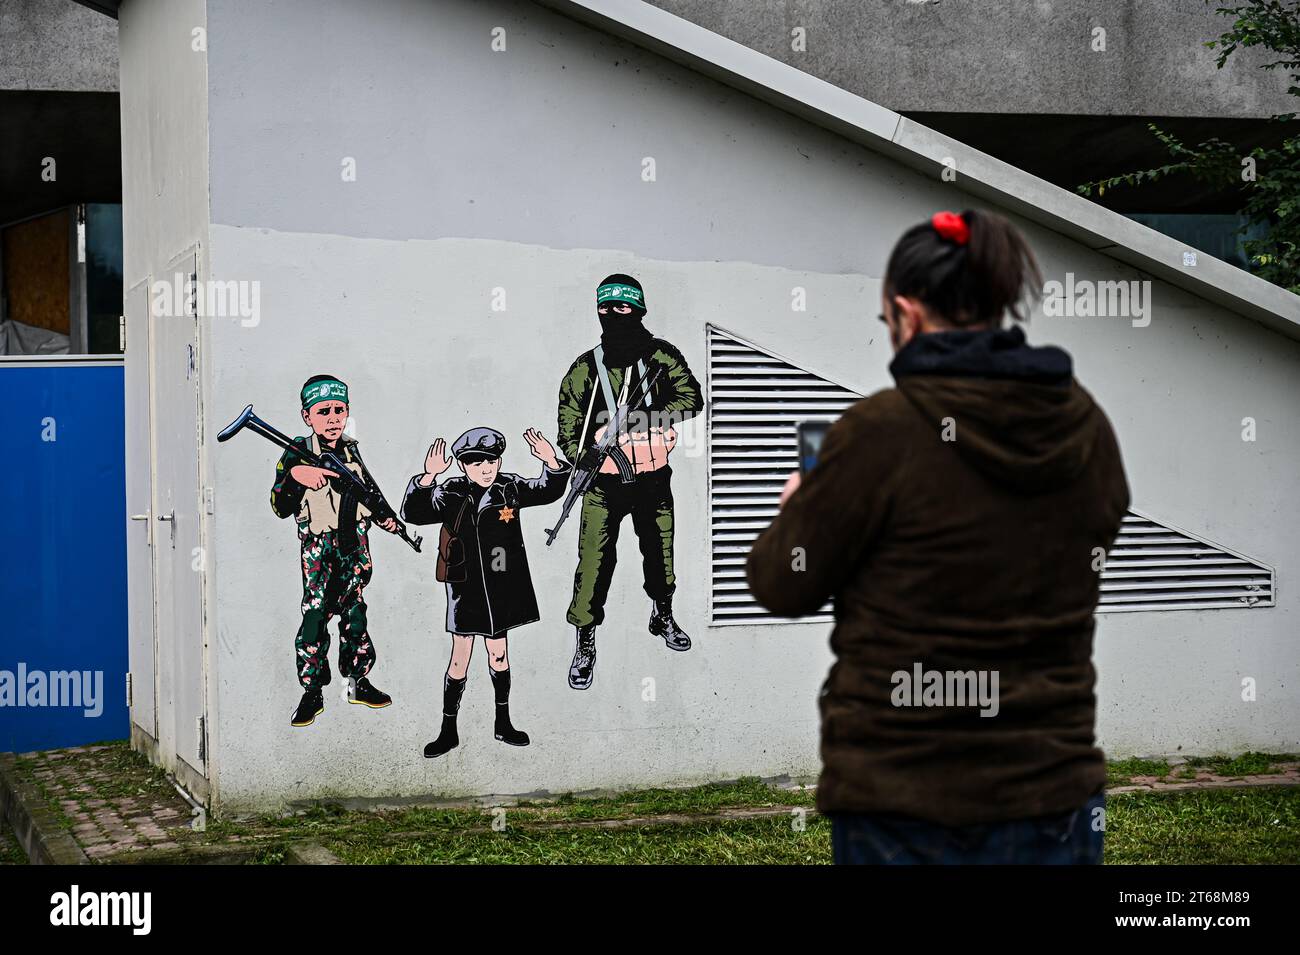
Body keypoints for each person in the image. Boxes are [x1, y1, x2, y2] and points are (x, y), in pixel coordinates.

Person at [746, 210, 1130, 864]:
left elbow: (782, 583)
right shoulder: (1085, 424)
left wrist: (795, 510)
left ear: (907, 313)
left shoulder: (880, 430)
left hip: (902, 799)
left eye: (885, 323)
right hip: (1054, 793)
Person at [555, 274, 703, 690]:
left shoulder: (660, 357)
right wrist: (589, 454)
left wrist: (644, 419)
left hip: (653, 480)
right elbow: (568, 430)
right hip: (604, 486)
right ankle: (585, 642)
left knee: (661, 553)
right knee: (593, 565)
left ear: (638, 311)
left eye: (622, 308)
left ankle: (663, 615)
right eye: (605, 308)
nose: (612, 315)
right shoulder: (585, 369)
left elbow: (692, 398)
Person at [401, 427, 571, 758]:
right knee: (460, 658)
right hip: (465, 586)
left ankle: (502, 723)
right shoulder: (449, 491)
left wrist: (550, 459)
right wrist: (428, 476)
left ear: (499, 460)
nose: (485, 468)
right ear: (463, 466)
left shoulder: (510, 487)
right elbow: (414, 513)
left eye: (490, 460)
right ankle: (448, 731)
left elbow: (547, 490)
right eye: (476, 462)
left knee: (499, 655)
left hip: (500, 585)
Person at [270, 375, 401, 728]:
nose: (332, 418)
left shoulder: (350, 451)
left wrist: (386, 517)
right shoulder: (297, 452)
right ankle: (312, 692)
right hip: (319, 551)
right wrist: (297, 476)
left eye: (339, 410)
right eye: (323, 411)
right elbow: (279, 505)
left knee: (355, 613)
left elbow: (367, 490)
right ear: (306, 416)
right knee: (315, 618)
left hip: (353, 546)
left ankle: (359, 681)